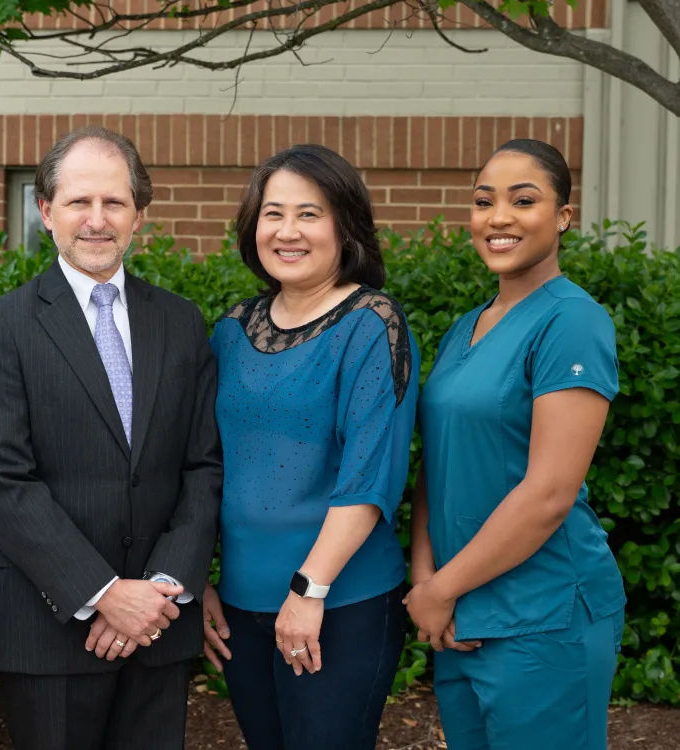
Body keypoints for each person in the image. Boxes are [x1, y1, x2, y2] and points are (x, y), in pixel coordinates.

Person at [0, 125, 223, 750]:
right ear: (46, 210)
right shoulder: (3, 324)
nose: (97, 220)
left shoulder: (182, 323)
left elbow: (203, 467)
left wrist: (159, 592)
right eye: (80, 202)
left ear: (140, 214)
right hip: (51, 631)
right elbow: (6, 480)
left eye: (114, 202)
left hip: (160, 627)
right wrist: (103, 594)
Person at [406, 138, 626, 750]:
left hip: (544, 613)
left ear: (562, 217)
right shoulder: (463, 328)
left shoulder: (573, 321)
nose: (498, 217)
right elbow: (437, 464)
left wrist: (440, 590)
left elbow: (550, 492)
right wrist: (427, 579)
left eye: (522, 200)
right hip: (460, 612)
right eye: (484, 201)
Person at [201, 144, 419, 749]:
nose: (287, 231)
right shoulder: (231, 330)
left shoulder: (372, 324)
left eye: (309, 213)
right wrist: (197, 582)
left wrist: (308, 591)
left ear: (345, 226)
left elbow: (369, 476)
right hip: (241, 605)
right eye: (273, 213)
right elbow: (202, 467)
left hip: (340, 602)